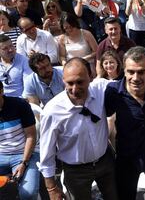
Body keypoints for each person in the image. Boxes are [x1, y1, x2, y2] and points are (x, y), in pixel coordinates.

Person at [39, 57, 118, 200]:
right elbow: (47, 153)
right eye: (70, 83)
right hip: (75, 172)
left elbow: (129, 85)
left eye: (80, 82)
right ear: (63, 80)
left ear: (91, 77)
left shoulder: (101, 89)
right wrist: (51, 188)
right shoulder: (52, 111)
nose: (74, 89)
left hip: (105, 162)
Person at [105, 46, 145, 200]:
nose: (135, 77)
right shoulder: (113, 92)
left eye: (141, 71)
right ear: (124, 70)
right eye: (130, 72)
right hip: (126, 158)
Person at [0, 81, 39, 199]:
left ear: (1, 91)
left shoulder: (19, 105)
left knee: (28, 193)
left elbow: (31, 136)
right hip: (1, 155)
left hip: (23, 154)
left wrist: (24, 162)